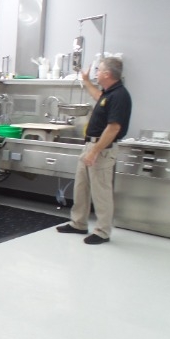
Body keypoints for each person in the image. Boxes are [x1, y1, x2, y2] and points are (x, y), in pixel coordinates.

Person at [57, 57, 132, 244]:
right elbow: (97, 97)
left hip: (102, 148)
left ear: (107, 74)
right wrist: (86, 81)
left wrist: (94, 151)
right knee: (81, 187)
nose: (96, 72)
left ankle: (102, 231)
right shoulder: (108, 94)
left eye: (98, 70)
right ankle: (78, 223)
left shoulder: (120, 95)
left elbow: (113, 128)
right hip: (91, 145)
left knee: (101, 191)